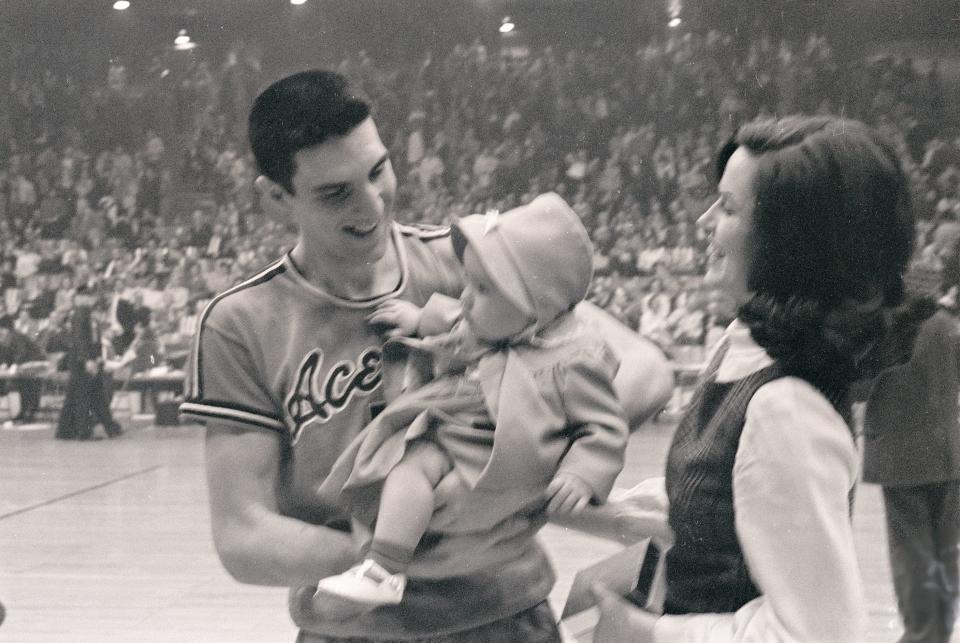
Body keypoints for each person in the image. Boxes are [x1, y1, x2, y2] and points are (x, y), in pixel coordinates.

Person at [179, 69, 670, 642]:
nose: (372, 204)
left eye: (378, 170)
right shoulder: (241, 323)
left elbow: (643, 369)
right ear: (275, 198)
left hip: (505, 617)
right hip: (353, 631)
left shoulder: (470, 263)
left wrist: (516, 472)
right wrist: (403, 547)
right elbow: (243, 535)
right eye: (335, 192)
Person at [578, 115, 926, 641]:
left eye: (729, 207)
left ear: (786, 243)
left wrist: (641, 631)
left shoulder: (784, 407)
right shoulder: (742, 350)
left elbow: (814, 634)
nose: (704, 222)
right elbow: (713, 510)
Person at [313, 193, 628, 610]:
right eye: (468, 282)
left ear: (535, 307)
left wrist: (582, 473)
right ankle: (384, 568)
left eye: (482, 289)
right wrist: (418, 319)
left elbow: (602, 426)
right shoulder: (497, 325)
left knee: (423, 485)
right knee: (406, 469)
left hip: (493, 460)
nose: (465, 297)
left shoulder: (573, 358)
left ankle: (388, 562)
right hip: (455, 437)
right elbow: (455, 322)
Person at [862, 302, 960, 643]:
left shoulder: (886, 328)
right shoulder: (948, 325)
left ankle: (921, 634)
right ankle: (938, 632)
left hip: (900, 457)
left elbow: (860, 385)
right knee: (945, 550)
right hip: (948, 453)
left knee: (912, 553)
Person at [55, 289, 123, 440]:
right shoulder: (81, 313)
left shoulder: (87, 314)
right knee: (85, 397)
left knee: (85, 395)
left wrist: (97, 357)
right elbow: (80, 339)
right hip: (83, 362)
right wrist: (88, 360)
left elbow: (94, 339)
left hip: (86, 360)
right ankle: (84, 431)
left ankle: (65, 431)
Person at [0, 315, 46, 423]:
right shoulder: (7, 337)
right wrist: (4, 363)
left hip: (36, 363)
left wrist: (14, 365)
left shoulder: (16, 336)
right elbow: (6, 355)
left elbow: (21, 353)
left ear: (5, 329)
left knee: (24, 381)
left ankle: (27, 412)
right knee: (20, 382)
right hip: (25, 366)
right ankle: (23, 412)